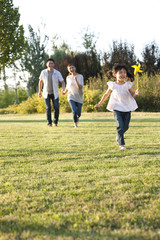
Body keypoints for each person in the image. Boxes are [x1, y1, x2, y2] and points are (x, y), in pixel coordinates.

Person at [95, 64, 140, 150]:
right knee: (120, 125)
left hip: (127, 108)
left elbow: (133, 95)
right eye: (120, 73)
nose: (123, 74)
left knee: (125, 126)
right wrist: (99, 103)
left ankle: (119, 135)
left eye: (124, 72)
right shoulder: (112, 85)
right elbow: (106, 94)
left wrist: (136, 94)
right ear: (115, 74)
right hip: (117, 108)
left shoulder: (128, 85)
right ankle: (121, 144)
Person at [38, 58, 65, 127]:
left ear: (54, 64)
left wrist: (63, 89)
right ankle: (49, 123)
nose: (50, 64)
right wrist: (39, 91)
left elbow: (62, 82)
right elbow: (41, 82)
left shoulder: (57, 72)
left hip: (55, 93)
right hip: (46, 93)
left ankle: (55, 122)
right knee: (48, 108)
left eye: (52, 63)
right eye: (49, 63)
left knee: (56, 107)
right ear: (47, 64)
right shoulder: (43, 72)